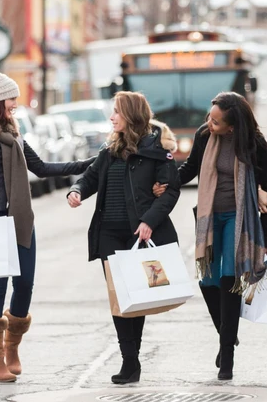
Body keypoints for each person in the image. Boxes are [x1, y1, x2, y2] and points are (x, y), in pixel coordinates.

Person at [0, 72, 90, 383]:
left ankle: (11, 347)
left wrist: (85, 165)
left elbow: (41, 168)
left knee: (25, 283)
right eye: (11, 98)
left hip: (20, 217)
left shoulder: (12, 132)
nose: (16, 103)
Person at [157, 92, 267, 380]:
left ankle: (227, 358)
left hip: (238, 217)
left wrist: (264, 238)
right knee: (207, 281)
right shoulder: (203, 136)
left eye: (216, 121)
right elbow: (190, 168)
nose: (209, 123)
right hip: (210, 217)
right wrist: (166, 183)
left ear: (232, 127)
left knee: (228, 279)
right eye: (209, 118)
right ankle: (227, 334)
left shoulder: (255, 144)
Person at [67, 91, 181, 385]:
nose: (111, 117)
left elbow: (170, 191)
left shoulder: (156, 150)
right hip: (109, 233)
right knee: (119, 296)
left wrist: (149, 221)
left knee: (136, 296)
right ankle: (129, 359)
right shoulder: (110, 150)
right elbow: (90, 178)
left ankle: (132, 358)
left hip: (136, 233)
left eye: (116, 112)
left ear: (130, 115)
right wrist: (77, 191)